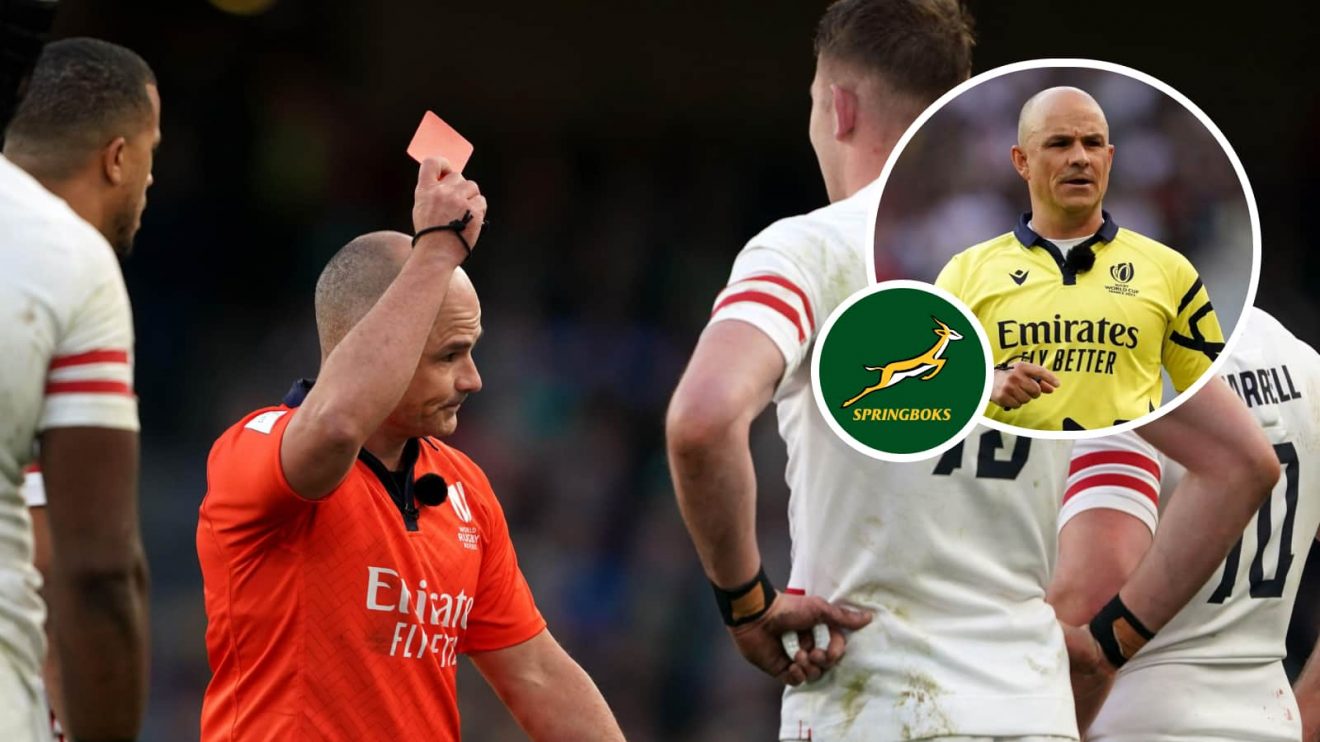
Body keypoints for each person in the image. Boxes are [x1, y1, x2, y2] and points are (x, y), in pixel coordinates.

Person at [665, 1, 1277, 740]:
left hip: (871, 705)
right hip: (1030, 708)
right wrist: (1112, 639)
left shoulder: (809, 251)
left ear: (840, 107)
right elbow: (1242, 464)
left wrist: (747, 605)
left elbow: (701, 419)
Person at [196, 157, 624, 741]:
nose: (473, 379)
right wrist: (436, 252)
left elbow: (537, 674)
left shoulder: (465, 488)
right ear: (373, 342)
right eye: (449, 355)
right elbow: (338, 425)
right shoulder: (254, 450)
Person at [1049, 306, 1320, 741]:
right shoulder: (1300, 360)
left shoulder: (1120, 356)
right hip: (1267, 722)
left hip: (1136, 722)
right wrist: (1303, 723)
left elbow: (1093, 586)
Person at [0, 36, 158, 742]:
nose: (151, 180)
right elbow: (85, 565)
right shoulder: (69, 262)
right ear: (118, 157)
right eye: (153, 150)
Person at [935, 86, 1225, 431]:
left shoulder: (1170, 270)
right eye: (1060, 144)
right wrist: (985, 383)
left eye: (1092, 143)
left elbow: (1217, 409)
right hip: (1008, 484)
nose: (1080, 158)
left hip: (1120, 479)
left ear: (1110, 157)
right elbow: (918, 392)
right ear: (1021, 161)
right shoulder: (965, 273)